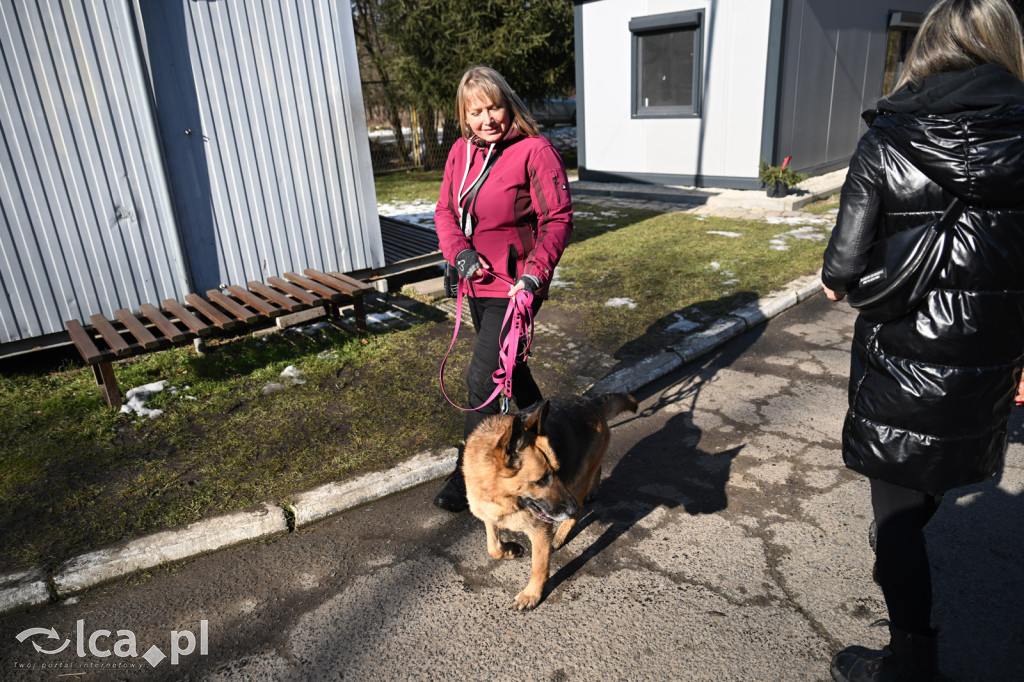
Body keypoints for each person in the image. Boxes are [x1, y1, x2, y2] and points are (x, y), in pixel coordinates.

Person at [820, 0, 1024, 679]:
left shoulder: (888, 137)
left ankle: (910, 662)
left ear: (926, 48)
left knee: (896, 520)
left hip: (904, 363)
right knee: (931, 490)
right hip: (990, 364)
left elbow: (840, 274)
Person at [432, 65, 574, 512]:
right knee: (512, 371)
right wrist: (459, 253)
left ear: (508, 104)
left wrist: (534, 275)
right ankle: (557, 443)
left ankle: (467, 474)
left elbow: (558, 219)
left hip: (516, 287)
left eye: (494, 107)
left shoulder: (535, 151)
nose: (486, 119)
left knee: (483, 379)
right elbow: (444, 213)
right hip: (475, 283)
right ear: (464, 115)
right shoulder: (461, 151)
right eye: (476, 111)